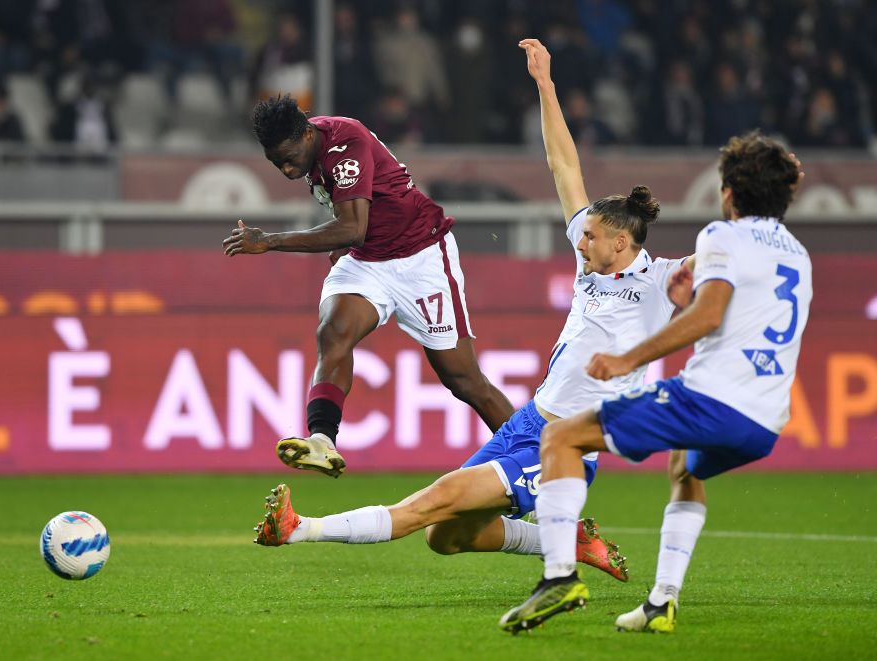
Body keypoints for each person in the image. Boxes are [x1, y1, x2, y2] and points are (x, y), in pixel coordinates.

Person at [247, 38, 697, 582]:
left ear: (622, 243)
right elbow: (563, 165)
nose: (577, 245)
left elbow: (728, 261)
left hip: (568, 444)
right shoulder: (593, 260)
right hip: (530, 421)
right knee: (448, 535)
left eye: (590, 239)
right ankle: (564, 538)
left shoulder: (665, 279)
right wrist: (546, 86)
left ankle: (299, 528)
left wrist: (758, 213)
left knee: (433, 501)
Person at [498, 129, 810, 634]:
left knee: (560, 437)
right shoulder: (796, 253)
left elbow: (708, 314)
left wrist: (629, 360)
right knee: (685, 468)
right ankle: (661, 602)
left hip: (711, 399)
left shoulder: (721, 237)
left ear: (727, 193)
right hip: (767, 418)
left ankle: (558, 576)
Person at [223, 94, 516, 477]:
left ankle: (538, 460)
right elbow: (362, 221)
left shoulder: (344, 145)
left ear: (308, 135)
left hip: (420, 255)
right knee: (334, 331)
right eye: (276, 161)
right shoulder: (310, 148)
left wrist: (270, 241)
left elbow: (352, 227)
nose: (286, 168)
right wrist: (343, 242)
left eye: (289, 156)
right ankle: (322, 441)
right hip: (368, 259)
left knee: (464, 381)